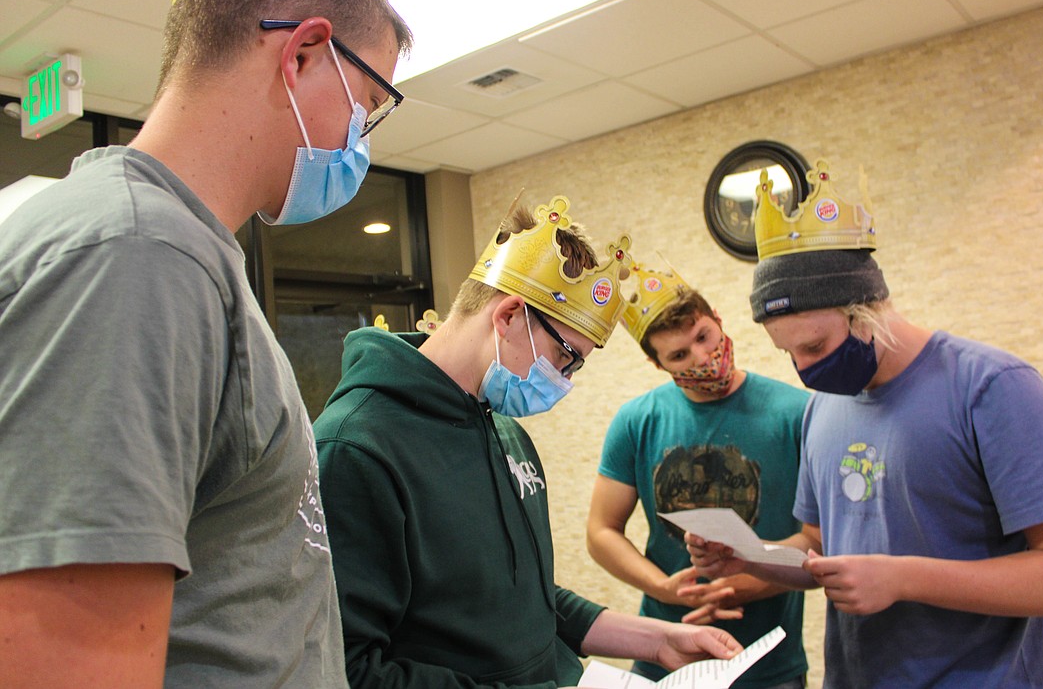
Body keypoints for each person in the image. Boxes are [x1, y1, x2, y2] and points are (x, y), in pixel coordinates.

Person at [0, 0, 411, 685]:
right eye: (370, 99)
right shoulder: (135, 259)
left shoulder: (189, 260)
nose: (363, 136)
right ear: (306, 53)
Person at [687, 163, 1043, 687]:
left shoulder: (992, 387)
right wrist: (749, 557)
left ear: (868, 309)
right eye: (788, 352)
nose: (805, 367)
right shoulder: (824, 407)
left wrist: (902, 578)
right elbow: (819, 550)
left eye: (815, 346)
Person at [314, 195, 745, 688]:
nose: (564, 379)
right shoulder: (355, 449)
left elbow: (524, 600)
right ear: (509, 316)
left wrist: (657, 640)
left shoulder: (503, 431)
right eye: (567, 357)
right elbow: (347, 669)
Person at [586, 259, 810, 689]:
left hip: (769, 662)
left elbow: (818, 544)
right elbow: (601, 532)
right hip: (665, 656)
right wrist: (666, 588)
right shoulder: (636, 421)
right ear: (659, 365)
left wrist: (744, 583)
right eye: (680, 355)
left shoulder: (796, 414)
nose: (703, 357)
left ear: (718, 322)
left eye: (704, 337)